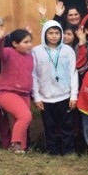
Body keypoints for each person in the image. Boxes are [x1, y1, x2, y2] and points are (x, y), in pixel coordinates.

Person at [32, 20, 79, 156]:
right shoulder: (36, 51)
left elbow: (73, 72)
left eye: (57, 33)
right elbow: (33, 75)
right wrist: (37, 97)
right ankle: (53, 151)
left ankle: (68, 151)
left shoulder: (67, 50)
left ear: (61, 34)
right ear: (44, 34)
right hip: (45, 97)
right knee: (49, 127)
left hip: (65, 96)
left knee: (67, 126)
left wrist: (74, 95)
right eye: (50, 33)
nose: (54, 36)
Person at [0, 25, 34, 153]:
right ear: (15, 43)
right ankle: (15, 145)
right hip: (7, 92)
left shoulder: (30, 57)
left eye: (30, 42)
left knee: (20, 121)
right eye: (25, 42)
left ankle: (22, 150)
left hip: (24, 94)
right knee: (25, 116)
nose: (29, 45)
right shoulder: (9, 52)